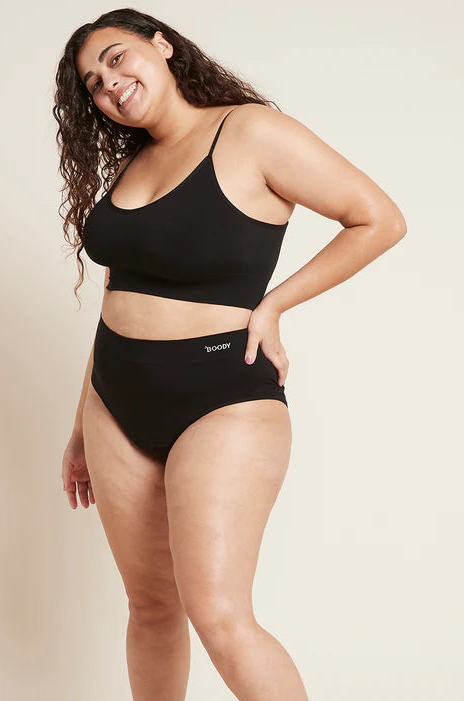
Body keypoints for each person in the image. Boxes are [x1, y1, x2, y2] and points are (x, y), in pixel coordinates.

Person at [53, 8, 407, 701]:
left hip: (221, 391)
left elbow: (378, 218)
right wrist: (79, 424)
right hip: (114, 398)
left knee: (219, 614)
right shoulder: (131, 165)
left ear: (162, 45)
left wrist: (274, 304)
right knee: (150, 609)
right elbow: (118, 292)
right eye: (94, 82)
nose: (109, 83)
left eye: (116, 58)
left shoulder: (249, 132)